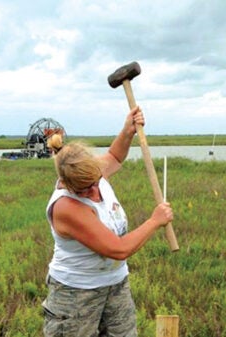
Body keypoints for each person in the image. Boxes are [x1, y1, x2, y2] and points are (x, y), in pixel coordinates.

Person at [42, 105, 174, 337]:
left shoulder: (90, 172)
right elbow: (118, 249)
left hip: (115, 284)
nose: (95, 192)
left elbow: (114, 156)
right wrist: (155, 221)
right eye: (84, 190)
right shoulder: (66, 207)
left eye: (96, 181)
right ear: (66, 183)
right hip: (76, 293)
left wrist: (127, 131)